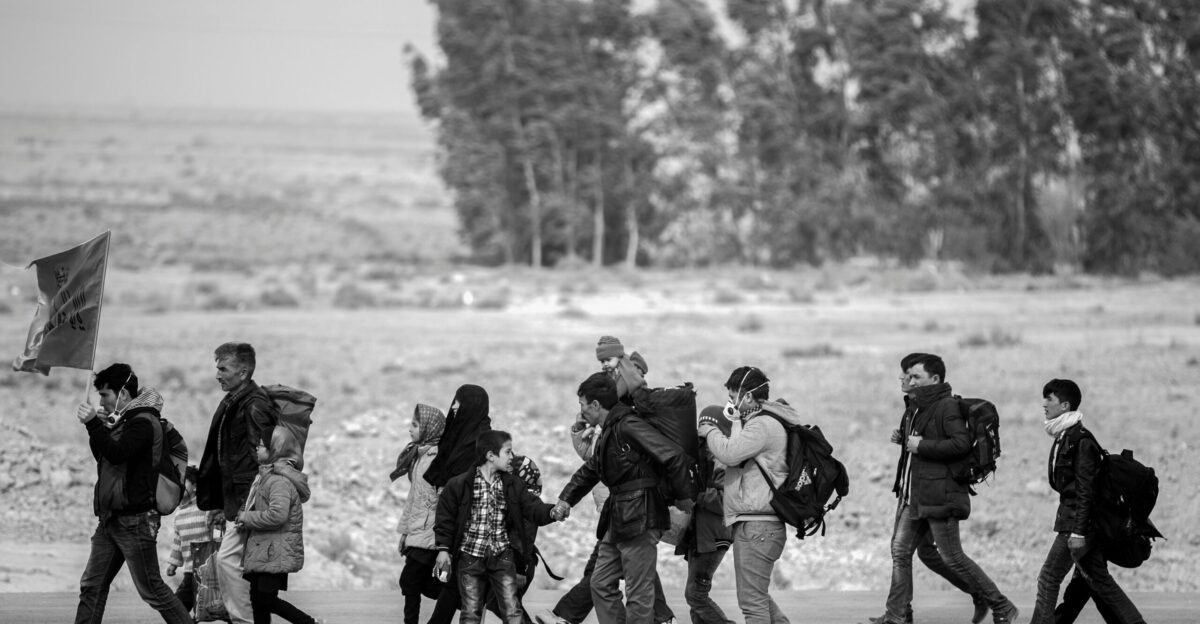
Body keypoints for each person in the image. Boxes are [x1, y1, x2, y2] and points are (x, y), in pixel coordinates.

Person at [872, 354, 1019, 624]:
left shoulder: (946, 406)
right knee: (902, 551)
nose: (909, 380)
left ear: (935, 379)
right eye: (907, 375)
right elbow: (924, 442)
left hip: (939, 495)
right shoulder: (916, 407)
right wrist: (904, 440)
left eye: (916, 376)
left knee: (952, 557)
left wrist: (920, 446)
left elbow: (960, 444)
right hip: (915, 495)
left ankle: (1001, 605)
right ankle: (897, 615)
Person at [554, 373, 697, 624]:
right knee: (599, 583)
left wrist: (684, 497)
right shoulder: (610, 429)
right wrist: (566, 499)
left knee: (638, 593)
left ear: (596, 405)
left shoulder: (628, 425)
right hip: (617, 518)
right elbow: (592, 469)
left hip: (641, 516)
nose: (581, 412)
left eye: (582, 405)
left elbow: (672, 455)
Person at [73, 363, 193, 623]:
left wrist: (94, 424)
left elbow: (117, 453)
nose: (101, 402)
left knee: (152, 590)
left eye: (105, 395)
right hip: (111, 519)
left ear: (123, 395)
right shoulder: (124, 422)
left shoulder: (143, 423)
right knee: (92, 587)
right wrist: (98, 428)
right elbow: (104, 458)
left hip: (135, 520)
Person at [1029, 379, 1145, 624]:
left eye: (1049, 398)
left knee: (1049, 577)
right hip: (1077, 522)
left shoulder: (1080, 441)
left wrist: (1079, 532)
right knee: (1099, 582)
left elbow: (1086, 492)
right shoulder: (1065, 436)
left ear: (1065, 405)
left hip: (1078, 525)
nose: (1044, 403)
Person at [696, 366, 792, 624]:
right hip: (757, 524)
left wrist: (710, 430)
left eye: (733, 396)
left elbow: (728, 453)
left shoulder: (762, 425)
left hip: (759, 526)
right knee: (757, 597)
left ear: (747, 396)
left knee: (752, 604)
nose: (731, 403)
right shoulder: (760, 422)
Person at [432, 430, 558, 624]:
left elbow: (533, 510)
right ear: (490, 456)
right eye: (508, 452)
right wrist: (443, 549)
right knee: (471, 611)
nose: (511, 457)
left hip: (502, 558)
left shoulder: (513, 486)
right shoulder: (460, 485)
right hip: (470, 556)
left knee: (511, 610)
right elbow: (445, 519)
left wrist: (552, 512)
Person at [197, 342, 280, 624]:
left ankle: (243, 620)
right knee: (244, 569)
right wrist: (223, 503)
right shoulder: (236, 400)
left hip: (250, 502)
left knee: (229, 562)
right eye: (217, 367)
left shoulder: (254, 405)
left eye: (223, 368)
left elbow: (264, 459)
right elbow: (229, 459)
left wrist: (250, 508)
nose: (217, 374)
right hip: (238, 502)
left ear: (243, 372)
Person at [421, 385, 493, 624]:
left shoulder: (483, 446)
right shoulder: (458, 438)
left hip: (472, 531)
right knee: (456, 588)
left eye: (458, 403)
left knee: (461, 589)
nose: (452, 407)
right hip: (454, 526)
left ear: (470, 406)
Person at [236, 426, 323, 624]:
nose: (257, 449)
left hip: (274, 551)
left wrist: (247, 517)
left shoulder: (279, 481)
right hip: (265, 549)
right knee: (258, 601)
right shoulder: (267, 477)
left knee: (266, 600)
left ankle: (309, 623)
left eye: (261, 445)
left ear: (276, 448)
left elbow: (277, 515)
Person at [678, 405, 735, 624]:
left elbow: (726, 501)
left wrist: (696, 493)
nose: (701, 431)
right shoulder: (702, 456)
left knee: (695, 596)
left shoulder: (722, 459)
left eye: (707, 425)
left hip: (714, 536)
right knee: (696, 602)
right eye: (700, 425)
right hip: (701, 535)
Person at [393, 404, 449, 624]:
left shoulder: (439, 458)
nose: (410, 429)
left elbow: (443, 502)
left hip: (431, 534)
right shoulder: (418, 456)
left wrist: (443, 539)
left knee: (413, 582)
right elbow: (413, 499)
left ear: (429, 428)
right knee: (418, 584)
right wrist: (405, 533)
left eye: (415, 425)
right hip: (417, 533)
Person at [166, 466, 211, 615]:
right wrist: (173, 564)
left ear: (195, 486)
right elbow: (178, 542)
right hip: (189, 572)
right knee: (179, 610)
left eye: (182, 482)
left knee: (218, 608)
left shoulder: (204, 508)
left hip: (209, 571)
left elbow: (217, 532)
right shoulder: (178, 514)